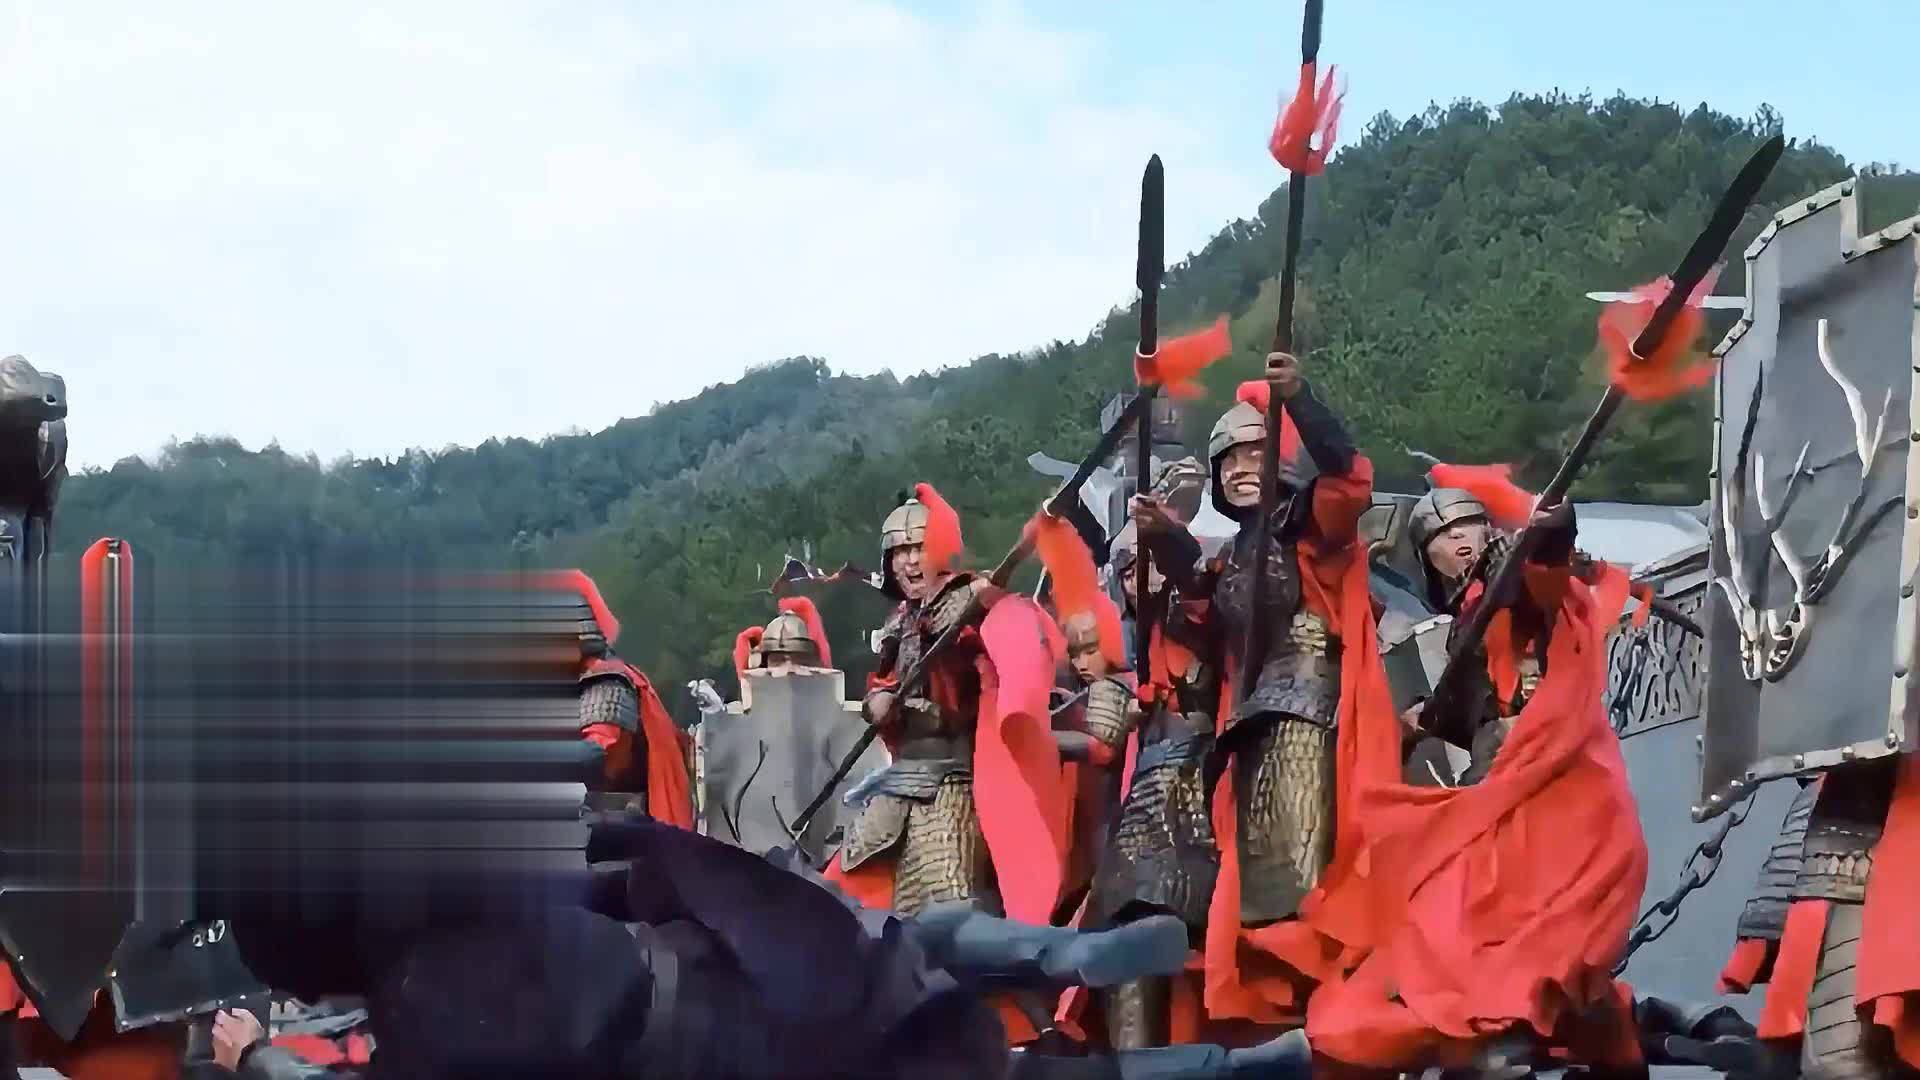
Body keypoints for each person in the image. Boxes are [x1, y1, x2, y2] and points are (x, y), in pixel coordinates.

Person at [1130, 350, 1382, 1025]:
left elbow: (1349, 479)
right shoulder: (1234, 554)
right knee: (1259, 899)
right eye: (1229, 460)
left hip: (1306, 718)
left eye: (1254, 454)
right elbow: (1208, 608)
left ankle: (1328, 1024)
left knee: (1303, 887)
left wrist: (1299, 397)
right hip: (1250, 732)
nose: (1241, 468)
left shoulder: (1312, 527)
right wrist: (1166, 537)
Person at [1402, 486, 1576, 783]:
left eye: (1465, 523)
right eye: (1441, 533)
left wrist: (1557, 524)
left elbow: (1544, 566)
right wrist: (1425, 714)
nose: (1456, 534)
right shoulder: (1463, 620)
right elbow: (1466, 699)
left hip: (1534, 738)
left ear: (1486, 528)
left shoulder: (1511, 574)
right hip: (1495, 748)